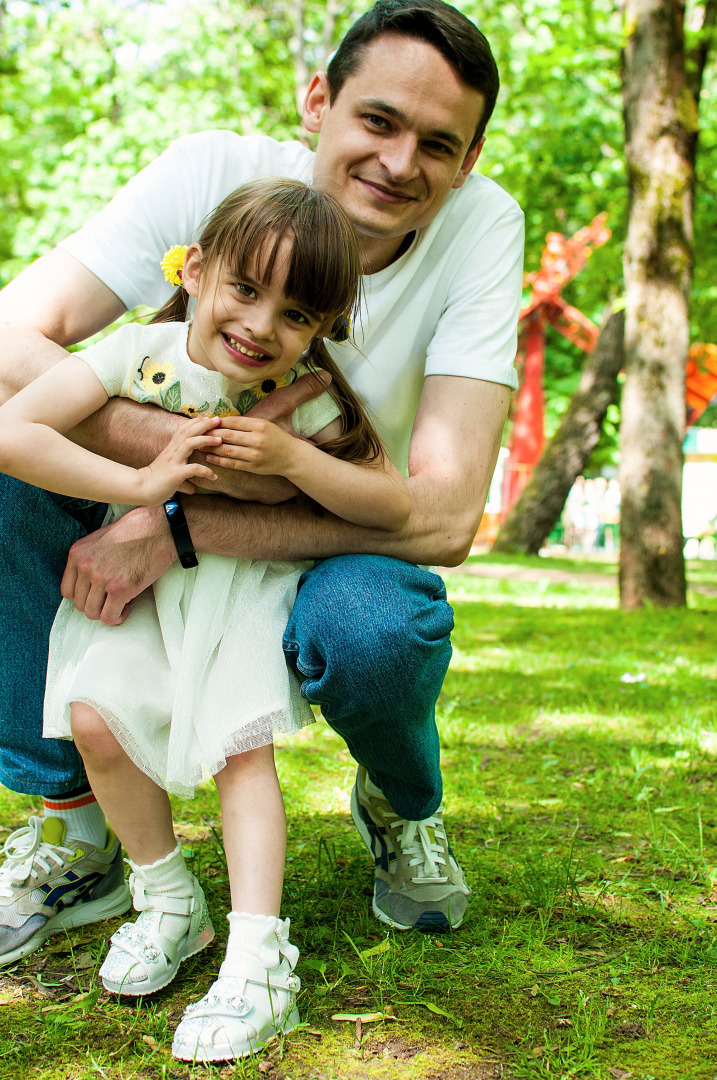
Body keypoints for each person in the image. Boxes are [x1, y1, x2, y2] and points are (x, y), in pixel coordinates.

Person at [0, 0, 524, 955]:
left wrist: (186, 523)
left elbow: (443, 519)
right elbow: (8, 340)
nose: (401, 163)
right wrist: (173, 459)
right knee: (10, 476)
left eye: (438, 144)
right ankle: (72, 817)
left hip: (333, 537)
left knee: (374, 628)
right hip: (169, 489)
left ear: (470, 160)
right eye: (377, 120)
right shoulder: (212, 174)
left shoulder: (481, 230)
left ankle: (401, 806)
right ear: (316, 101)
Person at [0, 178, 410, 1060]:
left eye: (295, 313)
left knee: (235, 748)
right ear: (196, 268)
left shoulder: (304, 397)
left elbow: (387, 505)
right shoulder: (136, 356)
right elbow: (14, 433)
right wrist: (140, 485)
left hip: (237, 594)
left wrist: (296, 458)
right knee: (94, 719)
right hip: (140, 590)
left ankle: (261, 955)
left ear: (320, 330)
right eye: (246, 289)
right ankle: (167, 902)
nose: (262, 326)